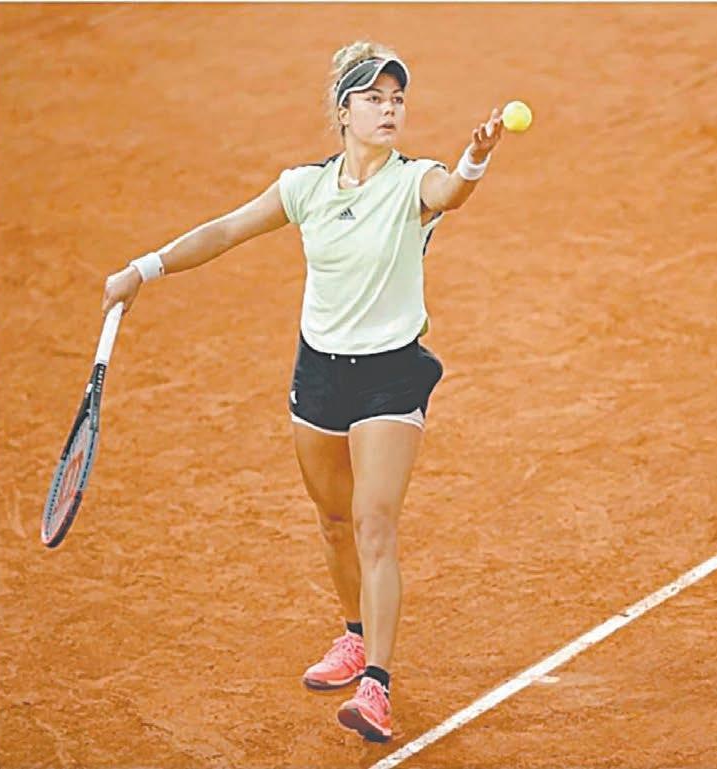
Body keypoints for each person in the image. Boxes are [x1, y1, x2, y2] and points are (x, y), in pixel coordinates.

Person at [101, 39, 506, 743]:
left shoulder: (415, 182)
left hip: (390, 375)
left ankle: (376, 684)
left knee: (374, 523)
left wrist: (475, 156)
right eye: (373, 98)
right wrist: (144, 269)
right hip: (319, 372)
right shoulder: (305, 188)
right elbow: (226, 229)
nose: (389, 109)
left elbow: (452, 193)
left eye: (397, 99)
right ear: (344, 112)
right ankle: (354, 634)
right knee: (334, 521)